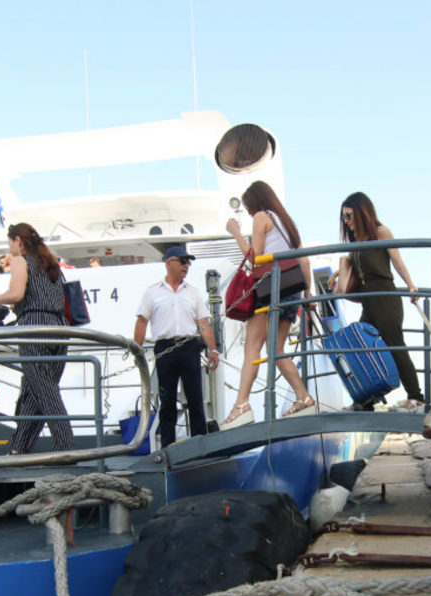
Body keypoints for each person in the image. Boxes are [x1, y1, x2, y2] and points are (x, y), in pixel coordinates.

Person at [221, 181, 315, 428]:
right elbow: (303, 260)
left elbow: (256, 259)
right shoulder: (287, 221)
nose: (251, 211)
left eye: (249, 206)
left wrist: (236, 233)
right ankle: (303, 397)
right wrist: (308, 293)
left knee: (252, 348)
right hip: (291, 289)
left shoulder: (262, 216)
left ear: (255, 201)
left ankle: (241, 405)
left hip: (271, 289)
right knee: (277, 349)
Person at [327, 191, 425, 410]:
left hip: (384, 295)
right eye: (344, 217)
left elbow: (397, 261)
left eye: (350, 215)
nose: (347, 221)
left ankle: (416, 397)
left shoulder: (381, 232)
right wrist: (335, 273)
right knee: (360, 346)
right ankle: (365, 399)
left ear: (362, 213)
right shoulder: (356, 242)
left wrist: (410, 285)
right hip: (368, 299)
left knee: (394, 345)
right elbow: (353, 269)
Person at [0, 222, 75, 453]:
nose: (10, 248)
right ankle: (19, 448)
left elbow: (16, 293)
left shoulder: (20, 260)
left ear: (19, 241)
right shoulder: (50, 264)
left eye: (10, 242)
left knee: (44, 391)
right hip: (59, 328)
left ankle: (65, 446)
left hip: (34, 327)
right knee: (36, 391)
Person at [133, 246, 220, 448]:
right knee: (167, 401)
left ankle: (200, 445)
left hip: (189, 347)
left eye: (188, 262)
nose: (186, 266)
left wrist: (213, 349)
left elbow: (204, 323)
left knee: (195, 399)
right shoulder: (152, 292)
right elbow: (141, 321)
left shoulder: (193, 293)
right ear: (168, 262)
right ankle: (168, 448)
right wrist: (137, 350)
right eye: (182, 261)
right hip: (164, 349)